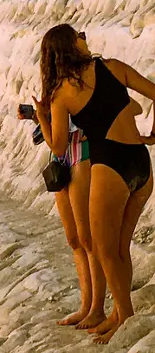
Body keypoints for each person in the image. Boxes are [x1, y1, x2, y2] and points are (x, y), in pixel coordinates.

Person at [35, 24, 155, 344]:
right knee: (119, 249)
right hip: (141, 163)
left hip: (109, 166)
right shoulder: (113, 66)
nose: (83, 38)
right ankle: (117, 311)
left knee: (105, 252)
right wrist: (154, 133)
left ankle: (124, 317)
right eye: (78, 35)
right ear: (71, 46)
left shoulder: (61, 94)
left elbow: (58, 148)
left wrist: (42, 118)